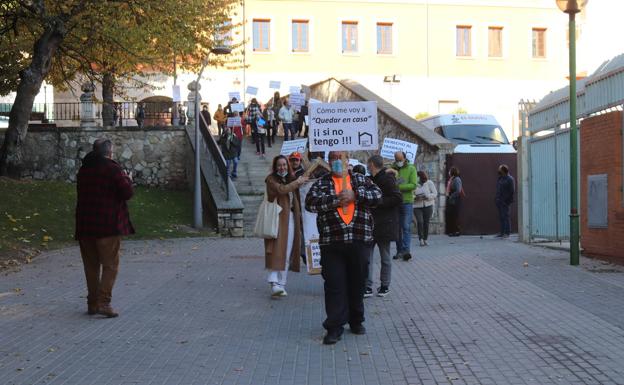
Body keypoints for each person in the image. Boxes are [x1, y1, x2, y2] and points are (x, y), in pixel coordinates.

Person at [305, 151, 382, 345]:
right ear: (329, 162)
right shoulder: (321, 183)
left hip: (359, 240)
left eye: (341, 158)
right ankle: (334, 327)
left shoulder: (360, 179)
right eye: (333, 159)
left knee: (358, 284)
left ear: (348, 160)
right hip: (332, 243)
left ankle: (356, 320)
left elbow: (378, 196)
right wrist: (335, 200)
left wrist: (356, 195)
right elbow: (310, 203)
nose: (337, 162)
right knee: (334, 286)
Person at [75, 139, 134, 318]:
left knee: (91, 266)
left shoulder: (84, 169)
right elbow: (127, 193)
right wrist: (128, 180)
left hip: (85, 224)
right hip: (107, 225)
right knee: (110, 265)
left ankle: (92, 302)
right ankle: (104, 302)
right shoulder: (112, 169)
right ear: (109, 152)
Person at [265, 155, 308, 297]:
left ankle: (281, 283)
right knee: (277, 249)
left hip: (291, 218)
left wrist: (300, 181)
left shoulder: (292, 178)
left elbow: (297, 188)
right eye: (279, 165)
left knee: (288, 250)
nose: (282, 167)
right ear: (275, 166)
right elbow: (282, 190)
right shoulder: (271, 179)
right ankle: (273, 279)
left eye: (284, 164)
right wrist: (297, 182)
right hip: (277, 219)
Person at [365, 155, 402, 298]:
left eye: (369, 164)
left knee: (385, 257)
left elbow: (397, 198)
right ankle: (367, 286)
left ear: (372, 164)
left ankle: (385, 285)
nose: (368, 166)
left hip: (385, 224)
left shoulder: (387, 179)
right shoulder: (371, 179)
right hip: (371, 223)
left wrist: (378, 202)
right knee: (367, 257)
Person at [392, 151, 417, 261]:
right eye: (397, 160)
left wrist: (399, 187)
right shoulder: (392, 169)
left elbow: (413, 185)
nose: (398, 162)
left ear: (405, 158)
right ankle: (399, 251)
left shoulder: (411, 168)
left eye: (400, 160)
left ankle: (406, 251)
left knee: (406, 227)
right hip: (396, 202)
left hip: (407, 201)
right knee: (397, 228)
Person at [414, 171, 437, 246]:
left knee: (426, 223)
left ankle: (425, 239)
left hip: (428, 205)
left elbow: (435, 193)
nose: (419, 180)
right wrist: (415, 198)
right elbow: (411, 194)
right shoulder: (414, 184)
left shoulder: (429, 183)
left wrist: (427, 196)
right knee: (420, 222)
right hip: (417, 206)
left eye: (420, 178)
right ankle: (421, 239)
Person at [495, 164, 515, 238]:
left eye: (499, 169)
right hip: (499, 201)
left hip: (505, 202)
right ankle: (502, 232)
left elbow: (512, 191)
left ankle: (507, 233)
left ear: (503, 170)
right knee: (501, 217)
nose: (498, 170)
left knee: (506, 216)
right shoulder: (500, 178)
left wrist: (507, 201)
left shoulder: (510, 179)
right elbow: (498, 189)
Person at [446, 166, 463, 237]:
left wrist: (451, 196)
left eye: (450, 171)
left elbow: (458, 190)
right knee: (451, 215)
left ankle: (456, 231)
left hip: (455, 199)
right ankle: (452, 231)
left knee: (454, 215)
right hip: (451, 199)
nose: (449, 172)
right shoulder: (452, 179)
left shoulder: (457, 179)